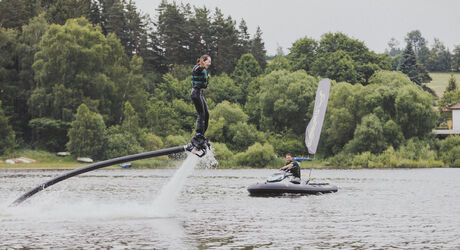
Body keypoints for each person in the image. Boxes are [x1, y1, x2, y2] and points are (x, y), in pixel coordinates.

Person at [190, 55, 211, 148]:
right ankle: (198, 135)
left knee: (206, 114)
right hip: (195, 93)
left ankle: (202, 135)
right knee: (201, 114)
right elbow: (198, 69)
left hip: (200, 94)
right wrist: (201, 65)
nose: (210, 64)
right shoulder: (197, 68)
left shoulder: (203, 69)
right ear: (203, 61)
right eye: (208, 62)